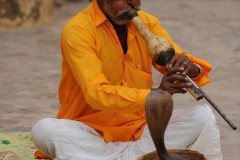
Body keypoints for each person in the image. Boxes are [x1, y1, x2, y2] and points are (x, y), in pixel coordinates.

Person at [31, 0, 222, 159]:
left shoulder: (148, 24)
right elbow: (96, 94)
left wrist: (191, 69)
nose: (132, 4)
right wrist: (156, 95)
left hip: (140, 132)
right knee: (44, 129)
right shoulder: (78, 30)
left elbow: (176, 57)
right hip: (92, 134)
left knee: (202, 116)